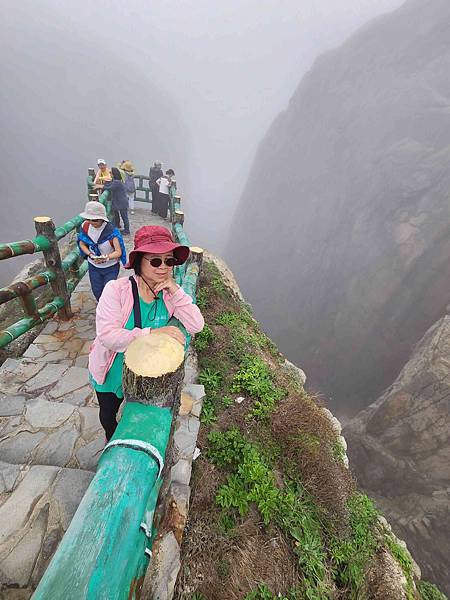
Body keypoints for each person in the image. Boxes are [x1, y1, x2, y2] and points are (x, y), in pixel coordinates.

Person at [88, 225, 204, 441]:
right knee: (108, 413)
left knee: (140, 416)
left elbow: (197, 324)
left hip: (147, 373)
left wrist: (176, 291)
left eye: (169, 261)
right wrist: (155, 332)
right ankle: (110, 439)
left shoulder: (169, 294)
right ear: (139, 261)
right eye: (155, 261)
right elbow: (108, 336)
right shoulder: (116, 291)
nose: (163, 267)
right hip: (112, 370)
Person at [77, 201, 127, 301]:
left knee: (108, 291)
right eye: (89, 219)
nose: (91, 222)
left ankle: (109, 310)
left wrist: (106, 257)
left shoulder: (112, 232)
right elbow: (82, 243)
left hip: (110, 267)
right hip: (93, 266)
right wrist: (90, 255)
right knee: (97, 290)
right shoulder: (85, 227)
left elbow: (118, 252)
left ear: (102, 219)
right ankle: (102, 307)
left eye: (95, 220)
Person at [103, 167, 130, 235]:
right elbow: (109, 185)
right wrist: (105, 183)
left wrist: (100, 186)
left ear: (114, 174)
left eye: (111, 173)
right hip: (120, 201)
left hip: (122, 202)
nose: (110, 174)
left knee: (124, 216)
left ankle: (127, 230)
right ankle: (117, 225)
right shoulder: (116, 181)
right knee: (118, 214)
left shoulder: (117, 182)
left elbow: (110, 187)